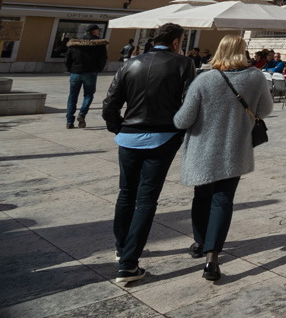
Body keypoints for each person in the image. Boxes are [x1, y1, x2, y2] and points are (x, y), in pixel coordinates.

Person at [101, 22, 196, 285]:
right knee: (146, 199)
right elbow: (189, 104)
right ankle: (128, 265)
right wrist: (180, 131)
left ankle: (122, 248)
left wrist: (118, 127)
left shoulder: (129, 64)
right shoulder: (183, 64)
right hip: (163, 137)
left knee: (126, 193)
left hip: (128, 136)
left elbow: (110, 103)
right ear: (177, 42)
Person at [173, 34, 271, 282]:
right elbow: (265, 110)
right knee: (223, 200)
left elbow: (182, 120)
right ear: (244, 51)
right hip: (234, 150)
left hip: (202, 150)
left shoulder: (204, 80)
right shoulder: (256, 77)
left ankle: (200, 241)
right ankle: (212, 258)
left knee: (202, 197)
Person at [65, 24, 108, 129]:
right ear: (93, 32)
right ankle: (82, 114)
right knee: (88, 95)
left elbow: (68, 59)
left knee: (72, 96)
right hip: (91, 72)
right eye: (98, 31)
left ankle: (69, 121)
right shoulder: (99, 44)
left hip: (76, 72)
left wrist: (71, 69)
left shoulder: (75, 43)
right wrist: (99, 69)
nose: (99, 32)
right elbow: (103, 58)